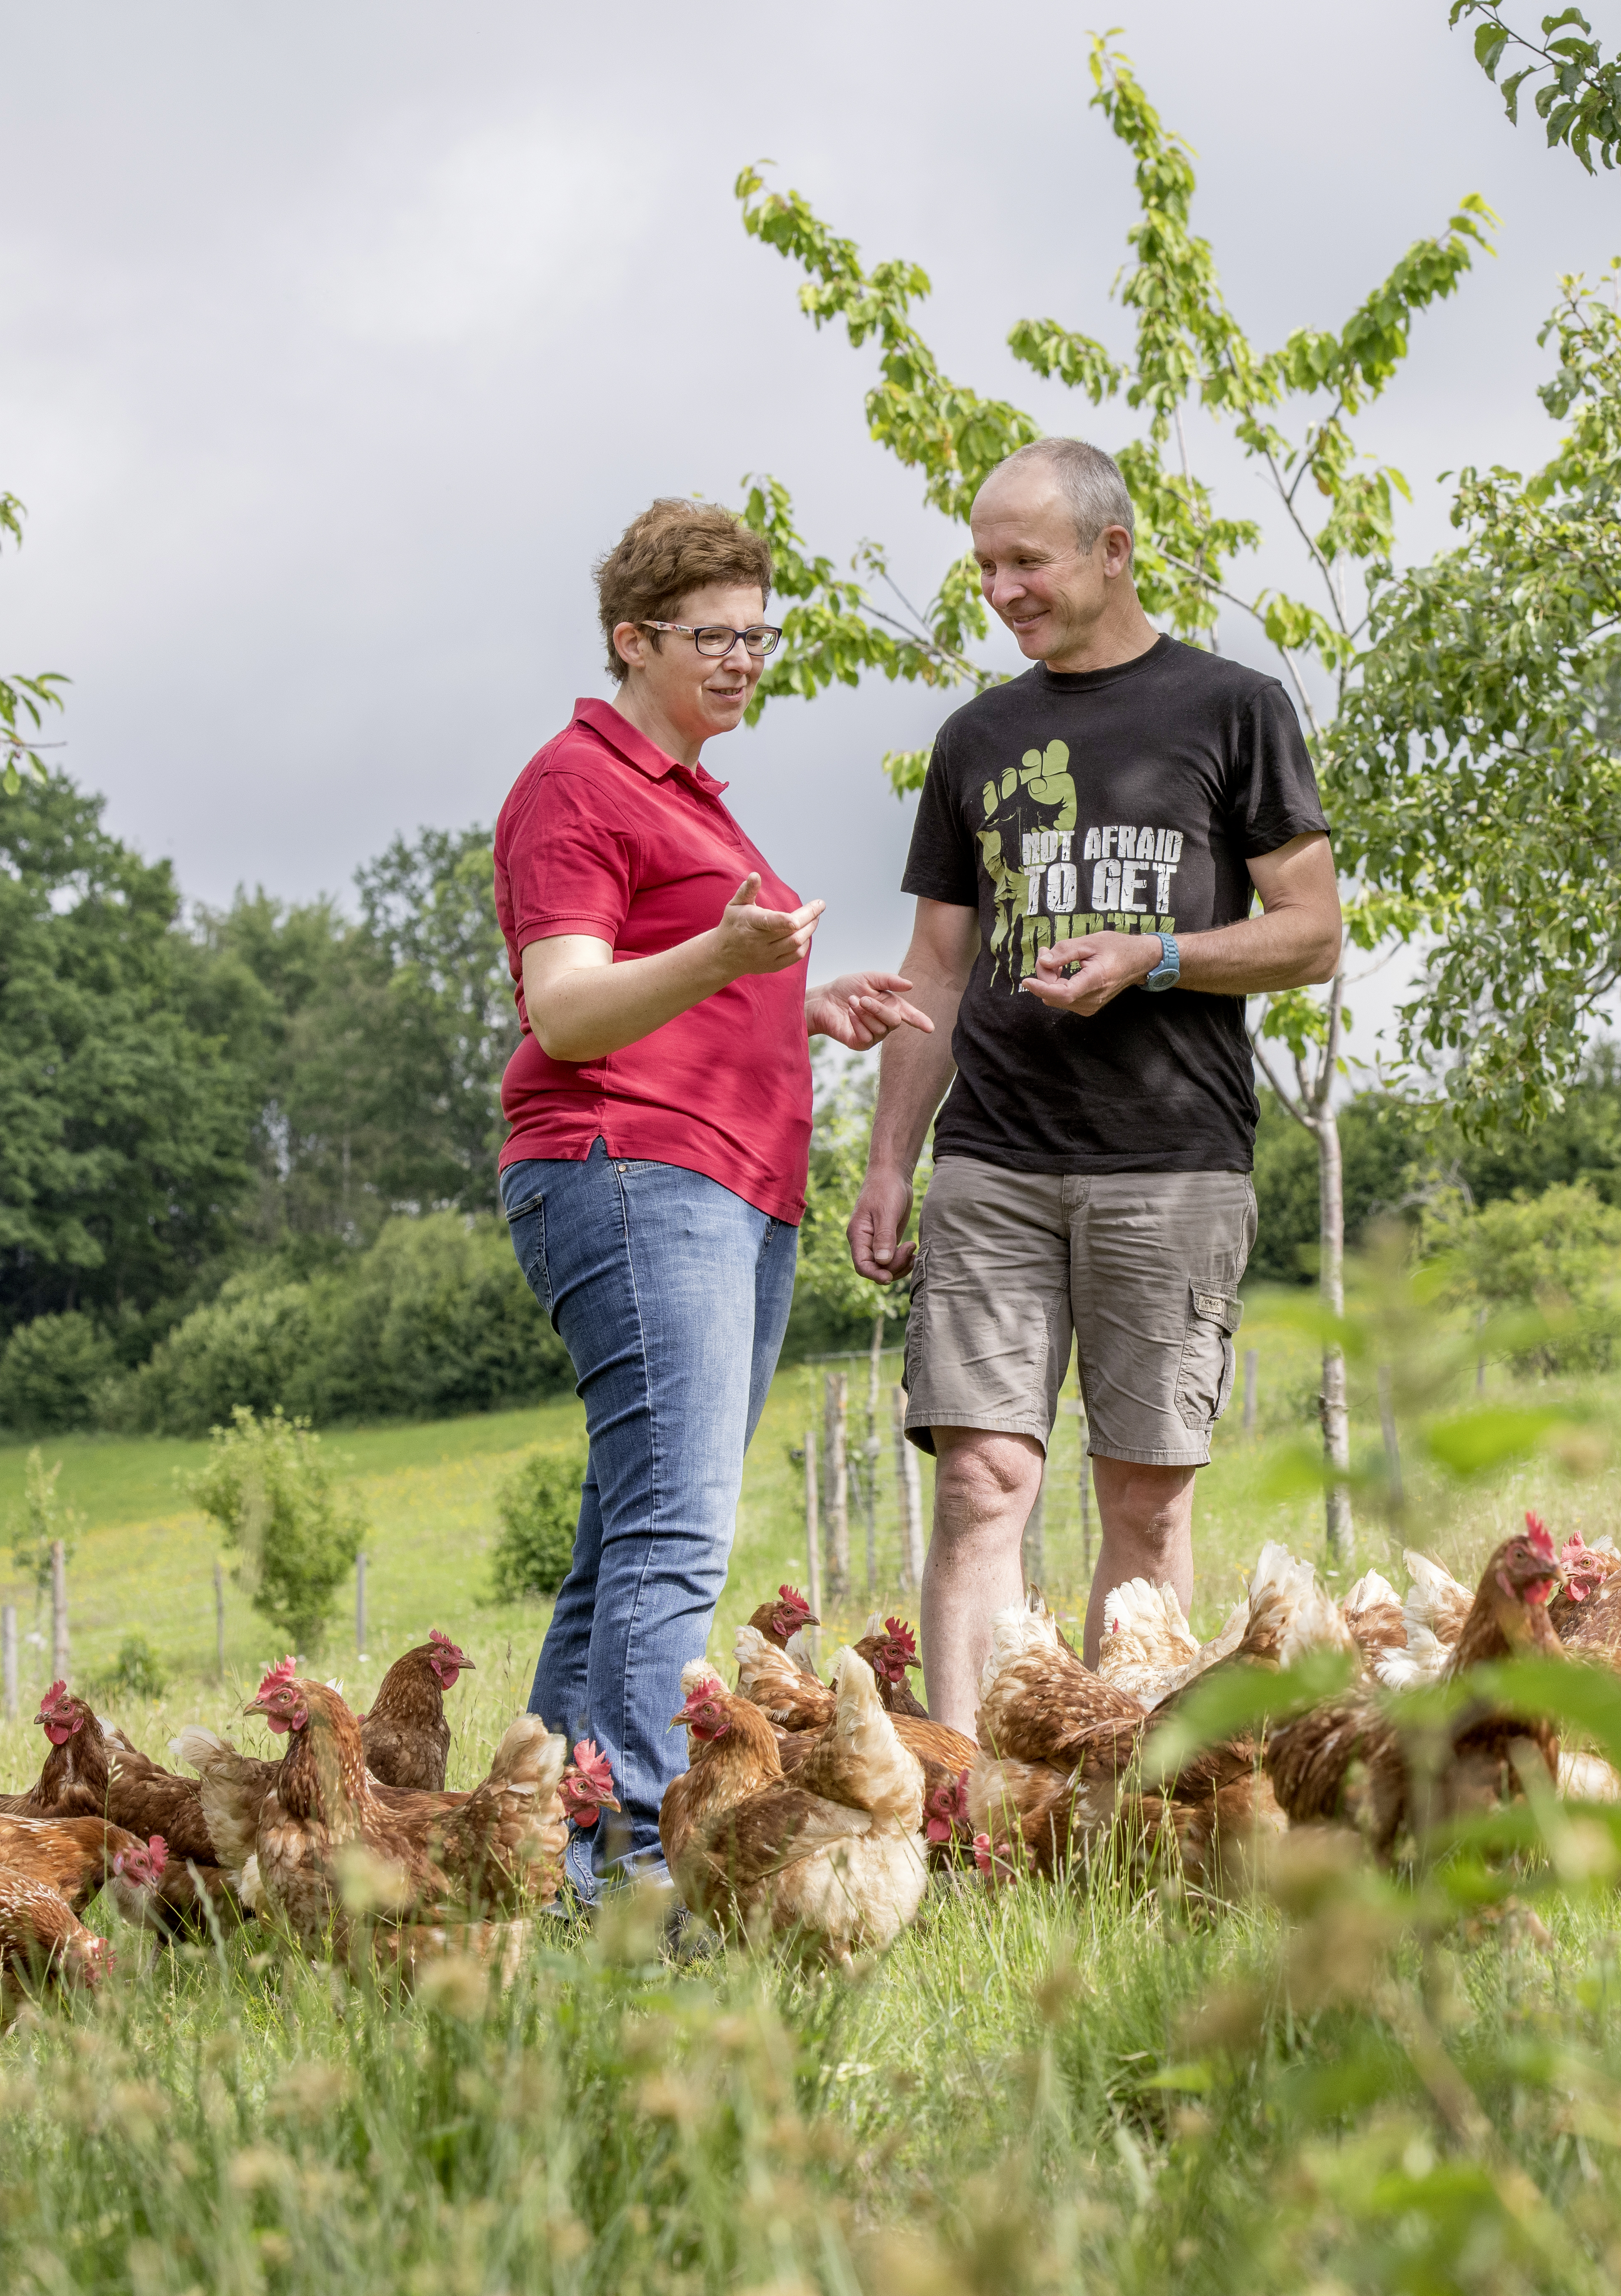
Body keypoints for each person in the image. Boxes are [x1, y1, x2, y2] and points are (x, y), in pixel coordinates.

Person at [849, 437, 1343, 1732]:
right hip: (996, 1161)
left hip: (1173, 1163)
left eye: (1027, 560)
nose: (1002, 588)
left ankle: (1126, 1794)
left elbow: (1313, 931)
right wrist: (892, 1160)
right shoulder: (976, 739)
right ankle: (959, 1801)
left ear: (1112, 552)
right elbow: (938, 971)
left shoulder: (1234, 709)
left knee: (1145, 1498)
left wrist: (1160, 959)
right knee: (980, 1484)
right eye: (984, 565)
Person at [493, 495, 927, 1901]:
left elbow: (682, 990)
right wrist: (732, 957)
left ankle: (551, 1850)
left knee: (626, 1535)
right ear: (633, 638)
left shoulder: (692, 798)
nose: (744, 660)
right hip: (631, 1172)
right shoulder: (577, 784)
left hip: (723, 1183)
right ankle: (630, 1864)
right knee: (675, 1533)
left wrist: (805, 1002)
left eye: (760, 636)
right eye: (712, 637)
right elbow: (565, 1012)